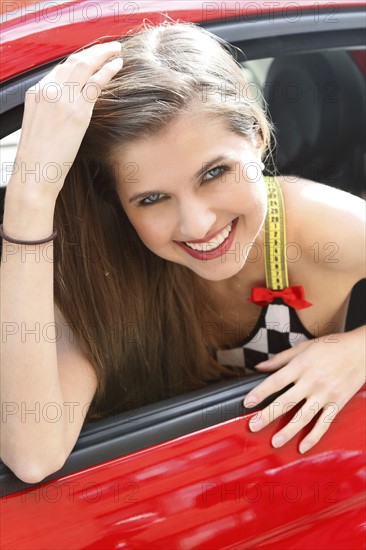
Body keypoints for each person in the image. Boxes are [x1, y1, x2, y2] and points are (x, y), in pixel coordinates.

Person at [0, 22, 364, 484]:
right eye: (151, 199)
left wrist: (358, 349)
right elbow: (32, 455)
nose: (197, 224)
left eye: (214, 173)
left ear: (255, 134)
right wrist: (31, 196)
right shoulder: (102, 268)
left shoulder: (318, 227)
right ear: (118, 203)